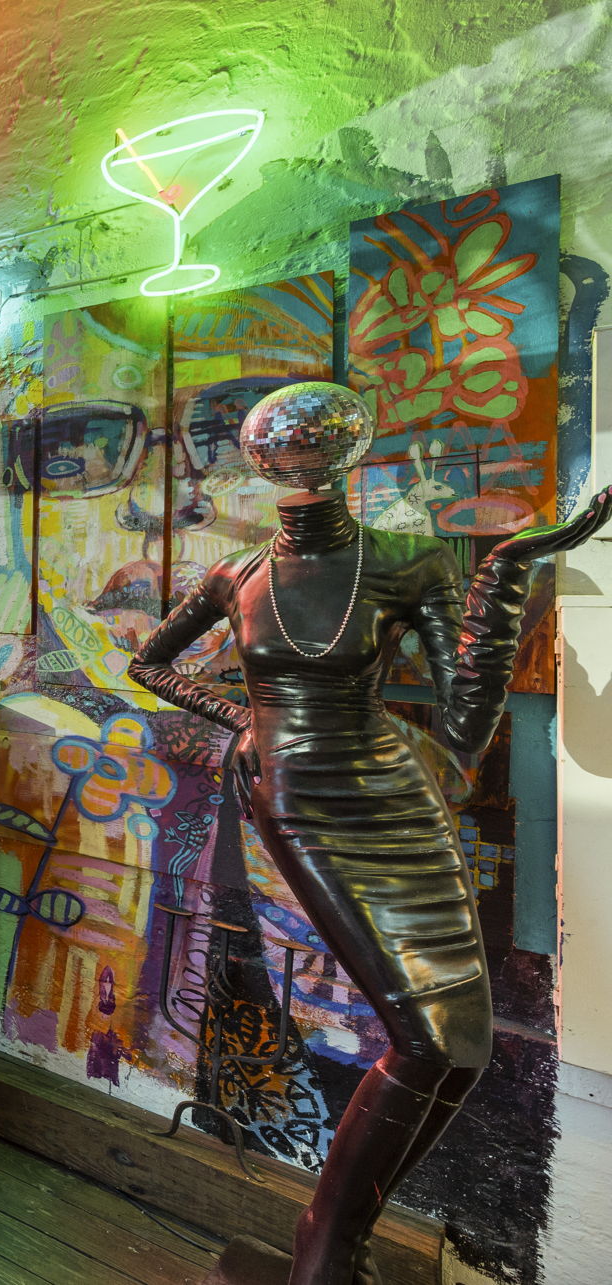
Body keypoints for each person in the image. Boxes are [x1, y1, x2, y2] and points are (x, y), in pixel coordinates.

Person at [126, 381, 612, 1285]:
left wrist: (508, 569)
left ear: (343, 453)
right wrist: (239, 719)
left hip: (397, 792)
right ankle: (325, 1249)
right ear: (269, 461)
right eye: (285, 447)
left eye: (312, 445)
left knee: (463, 1042)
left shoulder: (409, 560)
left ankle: (336, 1244)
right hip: (299, 799)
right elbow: (147, 662)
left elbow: (464, 725)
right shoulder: (236, 574)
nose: (301, 459)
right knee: (423, 1038)